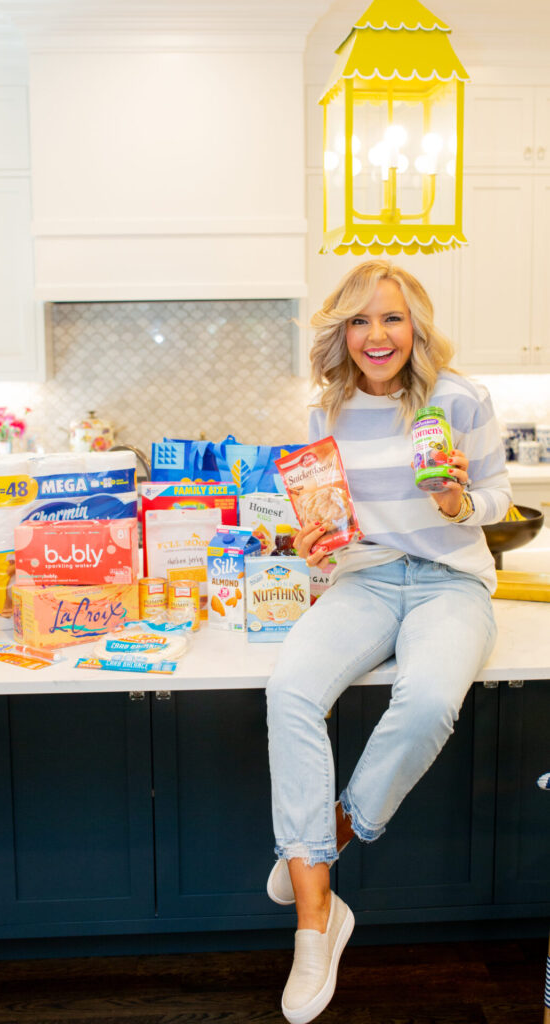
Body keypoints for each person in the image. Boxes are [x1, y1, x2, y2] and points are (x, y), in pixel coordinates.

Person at [265, 259, 511, 1024]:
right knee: (290, 691)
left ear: (417, 326)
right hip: (364, 580)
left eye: (392, 318)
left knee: (429, 699)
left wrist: (457, 497)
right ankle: (317, 922)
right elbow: (333, 528)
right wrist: (316, 545)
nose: (377, 335)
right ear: (341, 331)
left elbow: (500, 497)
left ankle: (323, 840)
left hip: (449, 581)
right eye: (361, 321)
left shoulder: (458, 399)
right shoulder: (323, 414)